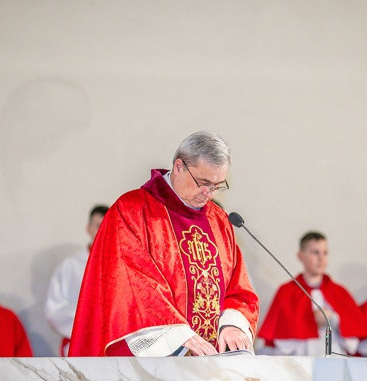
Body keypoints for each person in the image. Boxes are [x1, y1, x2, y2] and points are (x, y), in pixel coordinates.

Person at [68, 131, 259, 357]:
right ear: (179, 166)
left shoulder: (219, 221)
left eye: (218, 185)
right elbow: (131, 286)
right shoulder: (132, 211)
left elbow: (239, 288)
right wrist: (177, 336)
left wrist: (233, 325)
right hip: (151, 364)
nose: (208, 193)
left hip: (210, 366)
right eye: (203, 182)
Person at [257, 232, 367, 355]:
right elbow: (280, 344)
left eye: (325, 253)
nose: (321, 258)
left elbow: (352, 345)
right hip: (299, 362)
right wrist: (305, 322)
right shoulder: (286, 291)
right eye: (315, 252)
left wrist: (333, 319)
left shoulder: (340, 292)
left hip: (334, 361)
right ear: (300, 256)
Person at [45, 204, 109, 356]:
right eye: (97, 225)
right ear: (88, 228)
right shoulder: (70, 266)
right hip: (81, 342)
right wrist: (86, 318)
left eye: (106, 225)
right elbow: (54, 308)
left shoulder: (123, 263)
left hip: (112, 343)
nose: (101, 230)